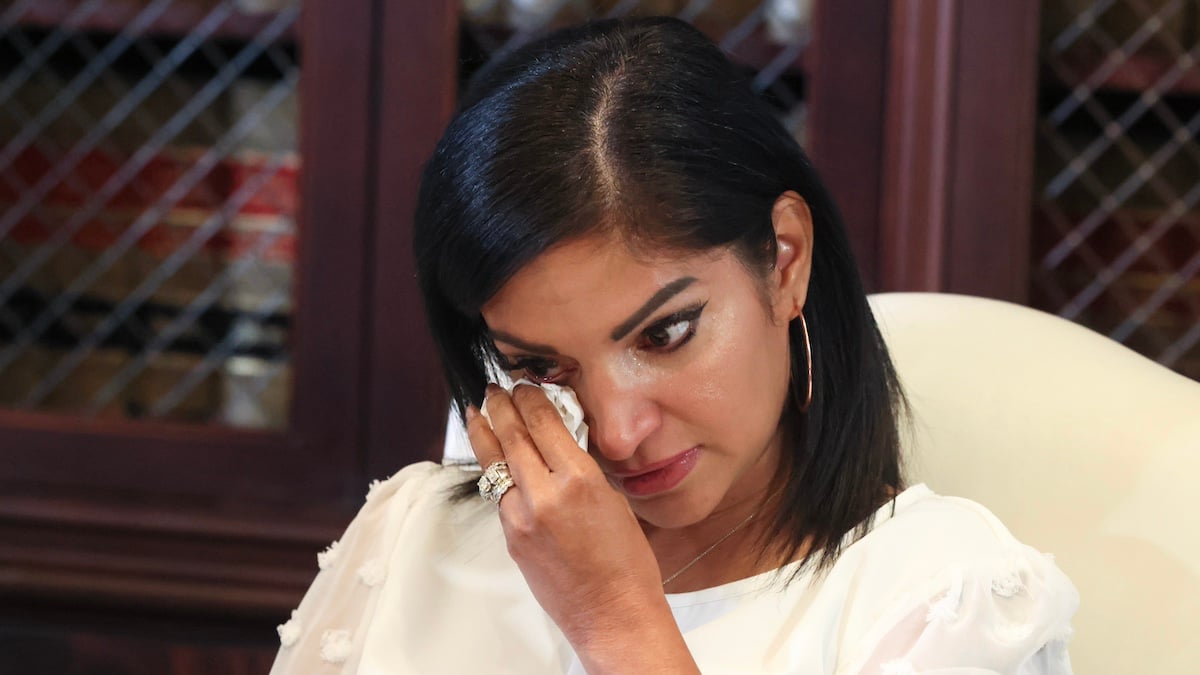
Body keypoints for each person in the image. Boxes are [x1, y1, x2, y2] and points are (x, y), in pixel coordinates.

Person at [270, 17, 1078, 674]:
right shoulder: (416, 537)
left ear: (786, 260)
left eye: (665, 334)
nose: (618, 433)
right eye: (540, 366)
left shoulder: (940, 601)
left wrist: (617, 624)